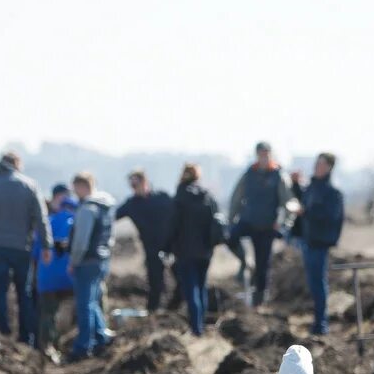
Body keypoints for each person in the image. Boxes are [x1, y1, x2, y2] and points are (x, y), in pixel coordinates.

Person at [0, 152, 54, 344]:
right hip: (22, 247)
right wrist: (46, 245)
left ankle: (2, 332)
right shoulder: (30, 186)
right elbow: (41, 218)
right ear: (17, 164)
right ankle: (26, 336)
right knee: (24, 292)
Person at [229, 141, 294, 306]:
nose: (264, 158)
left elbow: (289, 202)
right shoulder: (250, 173)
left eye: (266, 154)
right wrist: (231, 219)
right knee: (230, 237)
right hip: (248, 221)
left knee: (263, 265)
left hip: (267, 227)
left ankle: (259, 300)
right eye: (261, 154)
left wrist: (284, 224)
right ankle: (245, 262)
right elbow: (237, 196)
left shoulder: (278, 175)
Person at [66, 172, 116, 361]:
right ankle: (102, 335)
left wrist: (73, 261)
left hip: (87, 262)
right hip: (100, 260)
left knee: (84, 304)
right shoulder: (105, 208)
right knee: (92, 301)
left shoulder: (87, 209)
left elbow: (80, 242)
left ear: (83, 186)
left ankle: (83, 346)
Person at [168, 163, 220, 336]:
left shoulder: (180, 196)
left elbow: (172, 225)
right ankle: (202, 326)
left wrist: (167, 247)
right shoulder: (207, 196)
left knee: (191, 290)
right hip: (205, 251)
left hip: (185, 252)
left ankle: (196, 329)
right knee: (202, 287)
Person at [295, 153, 345, 335]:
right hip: (308, 240)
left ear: (330, 167)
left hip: (320, 242)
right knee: (313, 283)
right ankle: (317, 321)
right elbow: (303, 200)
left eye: (321, 164)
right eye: (316, 163)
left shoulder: (333, 191)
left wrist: (306, 212)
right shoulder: (312, 186)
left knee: (318, 283)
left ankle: (321, 324)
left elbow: (331, 217)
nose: (317, 167)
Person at [115, 169, 176, 312]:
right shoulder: (132, 204)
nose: (135, 188)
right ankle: (153, 312)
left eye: (137, 184)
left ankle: (173, 307)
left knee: (180, 278)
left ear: (145, 182)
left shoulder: (162, 198)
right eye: (132, 186)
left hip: (171, 246)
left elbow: (178, 213)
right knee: (155, 282)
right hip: (151, 248)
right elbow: (113, 216)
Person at [35, 184, 77, 362]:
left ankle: (47, 347)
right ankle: (69, 345)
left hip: (47, 280)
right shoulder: (77, 222)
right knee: (73, 311)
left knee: (47, 315)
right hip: (71, 278)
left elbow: (36, 253)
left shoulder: (46, 224)